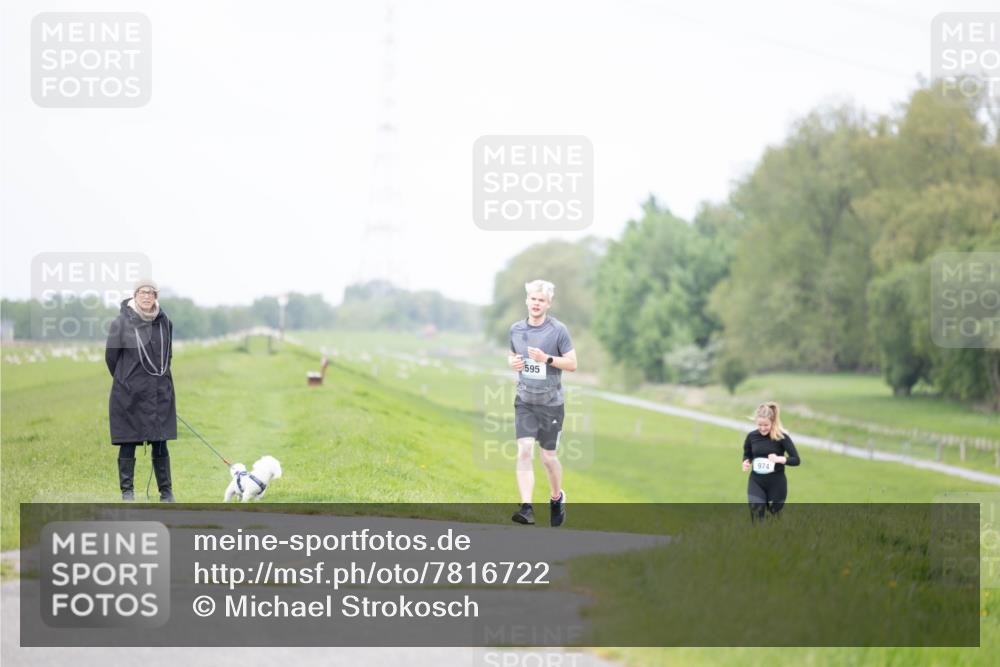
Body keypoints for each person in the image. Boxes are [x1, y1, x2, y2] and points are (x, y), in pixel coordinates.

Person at [507, 280, 577, 526]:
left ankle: (556, 497)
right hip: (525, 400)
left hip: (551, 404)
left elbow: (572, 364)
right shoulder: (516, 329)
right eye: (533, 299)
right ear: (527, 300)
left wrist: (546, 358)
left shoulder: (558, 330)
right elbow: (513, 354)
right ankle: (526, 508)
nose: (536, 304)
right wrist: (513, 362)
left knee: (548, 458)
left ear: (548, 303)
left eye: (541, 300)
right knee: (524, 450)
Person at [105, 279, 178, 502]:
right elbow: (111, 359)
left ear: (156, 297)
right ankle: (127, 492)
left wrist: (159, 384)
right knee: (128, 442)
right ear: (135, 295)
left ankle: (166, 493)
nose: (147, 296)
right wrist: (127, 380)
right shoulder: (120, 324)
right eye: (142, 292)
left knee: (160, 442)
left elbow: (168, 355)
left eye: (151, 293)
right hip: (129, 393)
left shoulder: (165, 322)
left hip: (159, 393)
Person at [742, 401, 800, 521]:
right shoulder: (751, 436)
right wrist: (746, 461)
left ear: (772, 422)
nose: (762, 428)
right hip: (756, 481)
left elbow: (796, 460)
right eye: (759, 425)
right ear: (756, 422)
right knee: (757, 513)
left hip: (776, 483)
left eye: (766, 425)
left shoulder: (781, 437)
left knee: (773, 516)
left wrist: (779, 459)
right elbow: (747, 453)